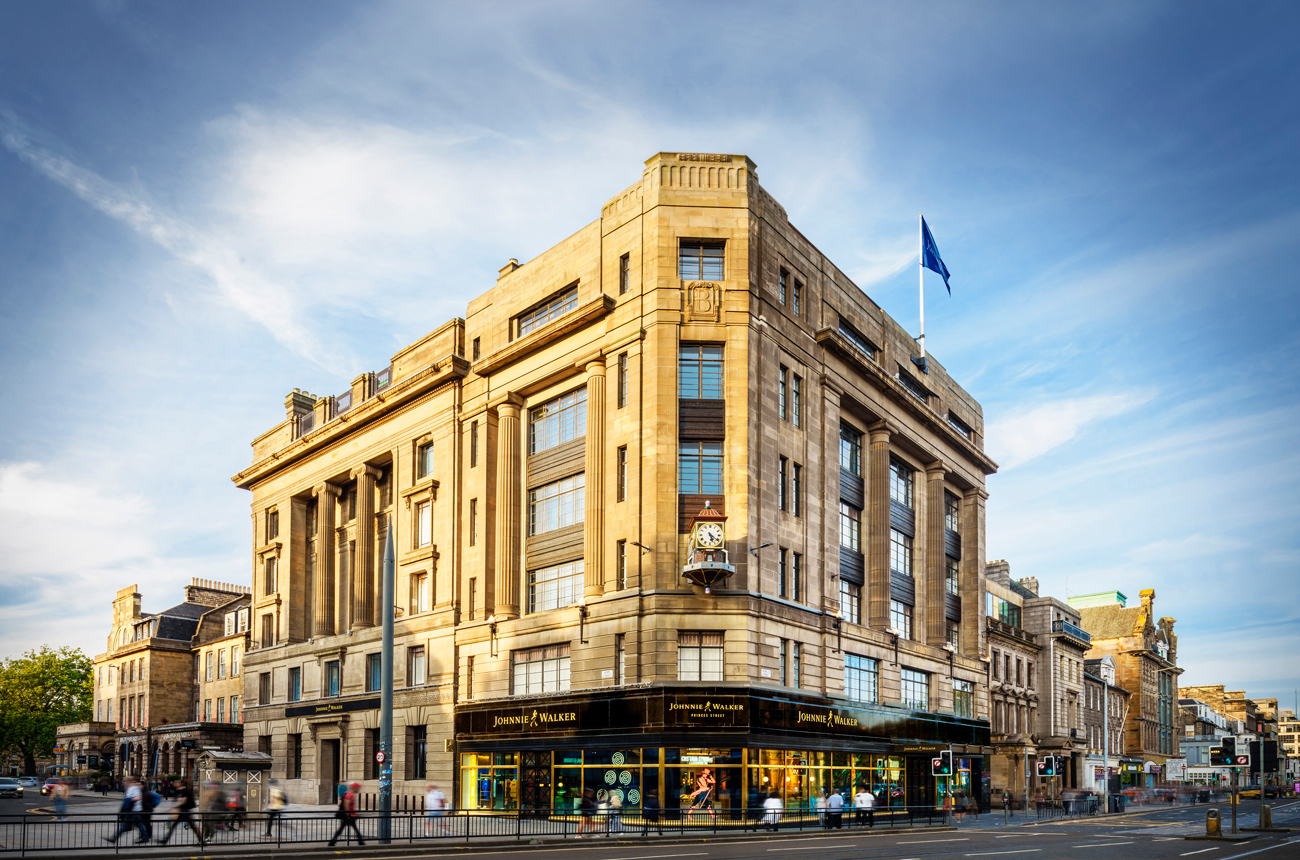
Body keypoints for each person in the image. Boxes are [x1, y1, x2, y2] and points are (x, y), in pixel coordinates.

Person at [158, 778, 202, 846]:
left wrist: (172, 807)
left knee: (193, 827)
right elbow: (178, 800)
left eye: (176, 782)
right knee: (173, 826)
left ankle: (201, 841)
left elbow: (183, 801)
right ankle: (165, 840)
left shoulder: (185, 791)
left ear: (181, 783)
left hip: (186, 812)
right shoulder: (178, 791)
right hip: (182, 812)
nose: (175, 783)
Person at [104, 776, 146, 844]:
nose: (123, 782)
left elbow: (138, 797)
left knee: (125, 826)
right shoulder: (129, 788)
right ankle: (145, 837)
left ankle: (113, 838)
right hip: (132, 810)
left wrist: (128, 800)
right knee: (139, 824)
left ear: (128, 781)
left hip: (134, 810)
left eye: (124, 781)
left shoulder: (134, 788)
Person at [328, 782, 365, 847]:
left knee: (342, 829)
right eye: (358, 788)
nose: (359, 789)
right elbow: (347, 805)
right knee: (346, 829)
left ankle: (332, 842)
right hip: (348, 816)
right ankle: (361, 842)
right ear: (355, 788)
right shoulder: (350, 794)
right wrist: (348, 814)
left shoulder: (351, 794)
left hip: (349, 815)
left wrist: (355, 814)